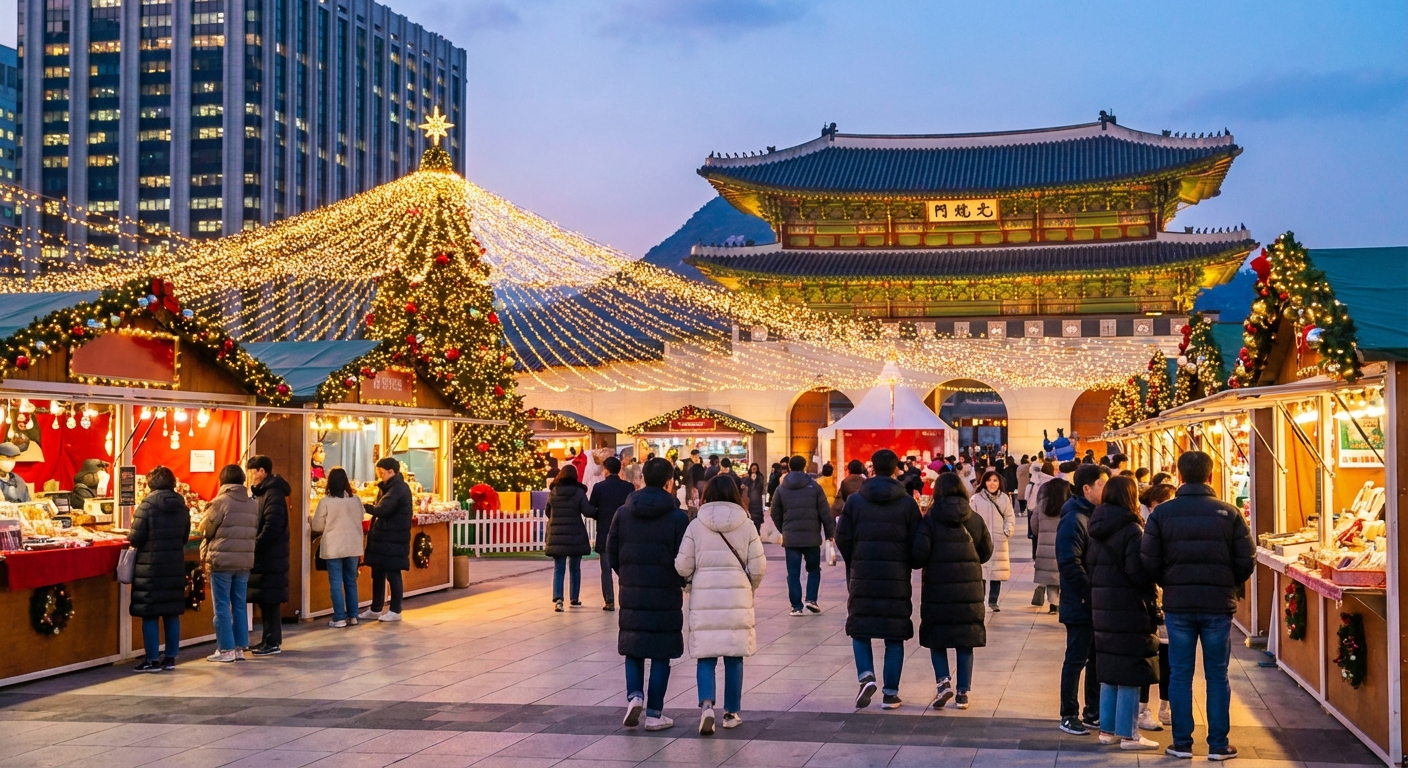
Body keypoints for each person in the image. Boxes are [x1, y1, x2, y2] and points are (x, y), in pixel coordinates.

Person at [1141, 451, 1255, 761]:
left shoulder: (1162, 515)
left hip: (1178, 604)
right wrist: (1226, 581)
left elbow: (1148, 561)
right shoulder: (1230, 513)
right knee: (1217, 674)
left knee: (1179, 674)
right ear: (1210, 476)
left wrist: (1170, 581)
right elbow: (1246, 560)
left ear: (1178, 477)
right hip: (1218, 604)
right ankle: (1218, 744)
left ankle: (1181, 743)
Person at [675, 475, 766, 735]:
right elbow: (758, 566)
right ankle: (731, 712)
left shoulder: (696, 525)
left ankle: (706, 706)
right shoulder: (746, 524)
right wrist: (750, 587)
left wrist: (690, 583)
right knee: (734, 656)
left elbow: (682, 565)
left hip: (704, 595)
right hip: (737, 595)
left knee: (706, 655)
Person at [607, 457, 690, 731]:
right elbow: (685, 556)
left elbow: (612, 550)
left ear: (642, 478)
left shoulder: (624, 511)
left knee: (634, 646)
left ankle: (634, 696)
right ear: (669, 481)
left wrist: (628, 574)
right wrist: (679, 579)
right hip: (665, 592)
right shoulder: (678, 517)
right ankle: (654, 713)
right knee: (661, 653)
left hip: (632, 590)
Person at [835, 449, 921, 710]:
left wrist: (856, 557)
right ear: (896, 470)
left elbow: (842, 536)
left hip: (863, 574)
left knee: (860, 628)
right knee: (894, 635)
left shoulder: (855, 501)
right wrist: (910, 561)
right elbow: (917, 543)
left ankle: (866, 676)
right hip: (895, 577)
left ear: (872, 470)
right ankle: (890, 694)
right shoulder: (907, 503)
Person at [1087, 475, 1160, 750]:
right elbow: (1138, 573)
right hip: (1128, 607)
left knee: (1109, 669)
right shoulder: (1131, 530)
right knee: (1130, 669)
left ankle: (1107, 730)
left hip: (1102, 607)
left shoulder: (1096, 526)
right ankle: (1129, 734)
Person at [913, 472, 992, 710]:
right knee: (965, 640)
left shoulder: (930, 520)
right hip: (969, 590)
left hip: (938, 589)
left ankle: (943, 682)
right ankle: (963, 693)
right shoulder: (975, 519)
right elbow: (986, 552)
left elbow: (918, 556)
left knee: (937, 638)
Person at [1056, 463, 1110, 735]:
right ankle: (1068, 714)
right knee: (1076, 659)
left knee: (1095, 658)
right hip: (1080, 603)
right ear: (1087, 488)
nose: (1107, 488)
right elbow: (1068, 562)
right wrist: (1090, 593)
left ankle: (1093, 711)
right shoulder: (1075, 519)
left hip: (1091, 601)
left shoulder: (1093, 515)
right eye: (1102, 484)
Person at [128, 465, 191, 672]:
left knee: (150, 614)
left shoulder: (146, 506)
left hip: (151, 567)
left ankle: (152, 659)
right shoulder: (182, 506)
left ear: (151, 484)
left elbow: (136, 538)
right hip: (174, 566)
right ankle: (171, 658)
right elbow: (184, 537)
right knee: (171, 612)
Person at [200, 465, 257, 663]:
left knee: (222, 606)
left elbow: (206, 530)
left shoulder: (220, 502)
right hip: (244, 561)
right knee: (240, 604)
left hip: (221, 561)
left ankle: (225, 650)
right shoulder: (252, 503)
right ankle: (240, 648)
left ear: (223, 480)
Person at [769, 455, 836, 616]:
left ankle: (796, 606)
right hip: (812, 537)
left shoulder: (781, 488)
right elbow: (825, 512)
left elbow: (774, 512)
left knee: (793, 573)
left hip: (791, 538)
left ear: (790, 467)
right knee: (813, 569)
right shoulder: (814, 487)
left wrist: (784, 529)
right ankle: (811, 600)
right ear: (805, 466)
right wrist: (829, 533)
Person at [1137, 482, 1178, 730]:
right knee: (1146, 656)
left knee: (1168, 657)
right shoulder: (1141, 530)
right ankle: (1142, 709)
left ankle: (1166, 705)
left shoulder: (1176, 529)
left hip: (1170, 602)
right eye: (1162, 504)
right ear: (1150, 506)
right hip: (1149, 603)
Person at [245, 455, 290, 656]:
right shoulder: (263, 493)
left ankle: (272, 641)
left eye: (252, 472)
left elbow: (272, 526)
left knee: (270, 599)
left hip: (271, 556)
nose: (251, 477)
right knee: (265, 599)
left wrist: (256, 545)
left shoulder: (273, 494)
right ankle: (267, 639)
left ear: (262, 471)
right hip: (266, 555)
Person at [311, 467, 365, 627]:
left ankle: (339, 617)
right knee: (351, 581)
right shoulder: (356, 500)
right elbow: (362, 516)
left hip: (333, 546)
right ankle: (353, 616)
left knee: (335, 582)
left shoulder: (326, 502)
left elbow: (317, 526)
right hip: (353, 545)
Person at [361, 457, 414, 623]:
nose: (380, 476)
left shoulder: (398, 488)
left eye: (382, 473)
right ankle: (376, 608)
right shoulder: (386, 488)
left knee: (393, 573)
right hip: (383, 537)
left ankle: (395, 609)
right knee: (378, 573)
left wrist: (363, 506)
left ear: (392, 471)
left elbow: (383, 509)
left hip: (393, 538)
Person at [544, 464, 595, 611]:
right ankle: (574, 598)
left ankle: (558, 599)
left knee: (558, 568)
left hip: (557, 535)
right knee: (575, 568)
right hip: (575, 533)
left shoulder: (554, 491)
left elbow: (548, 511)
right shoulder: (579, 492)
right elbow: (587, 511)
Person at [588, 457, 633, 611]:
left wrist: (599, 516)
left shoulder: (599, 487)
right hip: (624, 532)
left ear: (606, 469)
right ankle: (627, 598)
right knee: (625, 568)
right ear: (619, 469)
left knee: (605, 569)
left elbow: (591, 508)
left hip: (605, 531)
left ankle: (609, 601)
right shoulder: (628, 487)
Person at [971, 470, 1016, 612]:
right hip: (981, 540)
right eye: (989, 480)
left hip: (999, 539)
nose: (992, 483)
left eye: (995, 480)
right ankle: (981, 599)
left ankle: (993, 601)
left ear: (999, 483)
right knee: (981, 572)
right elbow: (971, 518)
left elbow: (1010, 516)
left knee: (997, 572)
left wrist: (1007, 530)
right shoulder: (976, 498)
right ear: (984, 482)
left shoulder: (1004, 498)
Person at [1032, 478, 1072, 613]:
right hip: (1065, 545)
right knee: (1064, 575)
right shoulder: (1069, 506)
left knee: (1050, 579)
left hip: (1044, 549)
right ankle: (1065, 603)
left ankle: (1053, 604)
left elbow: (1034, 528)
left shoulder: (1042, 505)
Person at [739, 462, 766, 530]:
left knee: (757, 519)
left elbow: (761, 487)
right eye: (752, 469)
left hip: (757, 501)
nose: (754, 470)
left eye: (755, 469)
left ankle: (757, 532)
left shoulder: (760, 477)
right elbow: (743, 486)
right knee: (750, 518)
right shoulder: (747, 478)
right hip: (749, 501)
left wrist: (754, 480)